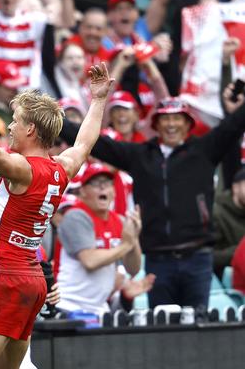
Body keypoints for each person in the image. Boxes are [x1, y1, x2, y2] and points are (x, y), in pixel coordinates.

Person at [0, 60, 112, 369]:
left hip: (6, 279)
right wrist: (98, 101)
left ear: (30, 128)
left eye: (14, 120)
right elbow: (83, 143)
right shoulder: (62, 167)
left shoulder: (24, 169)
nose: (10, 127)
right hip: (32, 280)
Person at [60, 95, 245, 309]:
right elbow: (98, 144)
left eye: (177, 118)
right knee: (161, 326)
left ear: (188, 123)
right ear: (156, 124)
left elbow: (234, 125)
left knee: (199, 328)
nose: (171, 124)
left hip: (198, 257)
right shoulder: (140, 155)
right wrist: (55, 120)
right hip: (158, 260)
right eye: (165, 119)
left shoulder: (204, 150)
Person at [56, 163, 145, 313]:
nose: (103, 188)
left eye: (107, 184)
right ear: (83, 191)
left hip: (100, 307)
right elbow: (90, 261)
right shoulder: (75, 216)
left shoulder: (119, 221)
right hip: (69, 304)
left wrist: (134, 238)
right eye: (96, 184)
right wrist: (125, 245)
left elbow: (133, 269)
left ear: (114, 192)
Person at [212, 167, 245, 277]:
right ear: (235, 187)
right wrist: (239, 251)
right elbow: (210, 257)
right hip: (227, 281)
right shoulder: (217, 213)